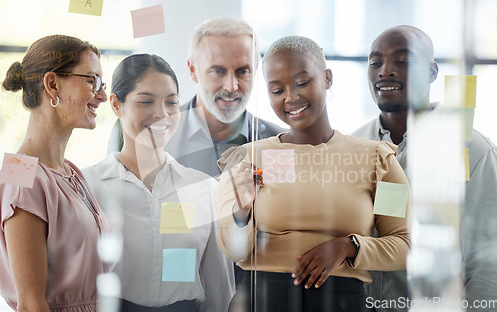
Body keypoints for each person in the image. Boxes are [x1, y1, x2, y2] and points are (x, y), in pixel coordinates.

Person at [216, 35, 411, 312]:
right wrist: (241, 212)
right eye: (276, 90)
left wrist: (348, 247)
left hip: (343, 301)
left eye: (302, 82)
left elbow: (404, 244)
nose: (291, 97)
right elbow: (232, 251)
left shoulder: (378, 160)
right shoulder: (246, 159)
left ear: (327, 79)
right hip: (261, 301)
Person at [352, 25, 497, 312]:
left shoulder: (471, 148)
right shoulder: (353, 146)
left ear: (432, 73)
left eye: (402, 61)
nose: (385, 71)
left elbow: (489, 260)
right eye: (375, 62)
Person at [83, 54, 235, 312]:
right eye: (146, 101)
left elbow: (219, 288)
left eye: (171, 102)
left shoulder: (202, 188)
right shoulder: (88, 186)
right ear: (116, 105)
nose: (161, 114)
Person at [0, 35, 109, 312]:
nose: (103, 96)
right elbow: (31, 304)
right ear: (52, 84)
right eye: (92, 81)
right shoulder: (20, 171)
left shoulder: (72, 172)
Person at [108, 18, 284, 178]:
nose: (231, 86)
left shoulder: (279, 144)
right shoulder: (147, 133)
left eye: (243, 71)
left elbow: (285, 211)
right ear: (193, 71)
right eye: (217, 71)